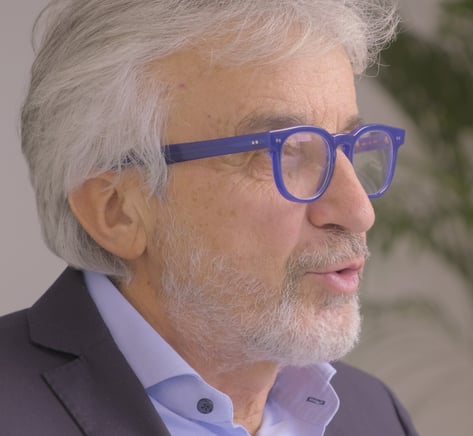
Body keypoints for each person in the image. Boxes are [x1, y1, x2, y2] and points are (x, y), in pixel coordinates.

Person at [0, 0, 417, 435]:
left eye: (348, 145)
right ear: (117, 211)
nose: (358, 211)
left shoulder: (374, 414)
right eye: (284, 152)